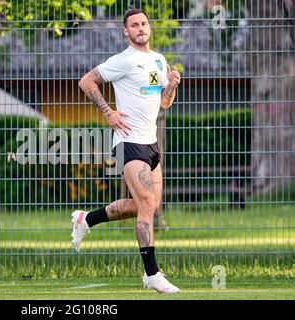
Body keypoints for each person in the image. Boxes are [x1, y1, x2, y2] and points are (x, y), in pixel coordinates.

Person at [73, 9, 181, 293]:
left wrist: (171, 85)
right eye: (134, 25)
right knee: (146, 203)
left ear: (149, 27)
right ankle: (152, 274)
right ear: (126, 31)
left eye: (144, 23)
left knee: (145, 206)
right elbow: (86, 81)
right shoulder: (122, 60)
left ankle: (87, 219)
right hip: (128, 140)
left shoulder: (158, 59)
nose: (140, 28)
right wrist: (108, 112)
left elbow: (164, 103)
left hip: (151, 143)